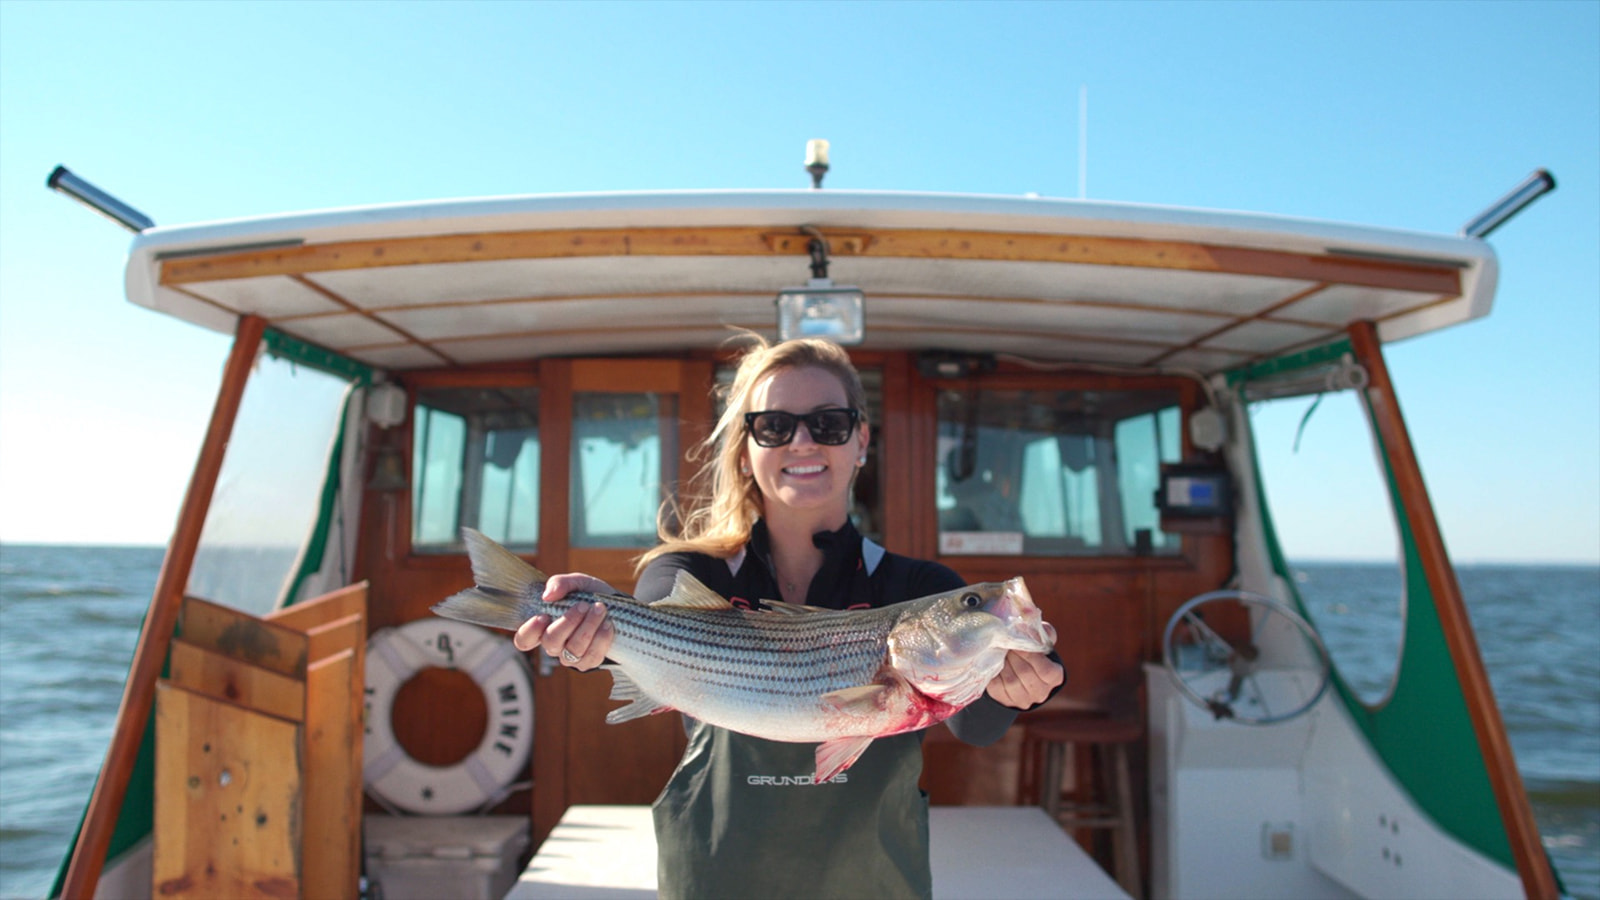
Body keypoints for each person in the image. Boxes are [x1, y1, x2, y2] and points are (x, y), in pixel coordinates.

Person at [513, 336, 1065, 899]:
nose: (803, 440)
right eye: (775, 426)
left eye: (828, 423)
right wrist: (594, 635)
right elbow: (649, 634)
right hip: (720, 873)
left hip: (873, 878)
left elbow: (973, 725)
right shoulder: (691, 572)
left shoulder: (919, 588)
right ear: (746, 447)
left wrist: (1019, 678)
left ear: (861, 440)